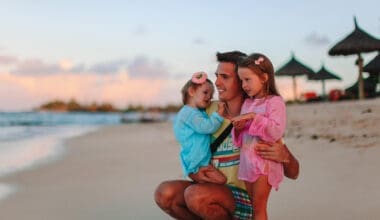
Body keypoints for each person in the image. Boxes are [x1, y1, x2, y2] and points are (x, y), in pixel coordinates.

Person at [154, 51, 299, 220]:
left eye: (225, 77)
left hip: (243, 198)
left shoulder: (258, 112)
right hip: (211, 187)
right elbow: (187, 146)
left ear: (242, 80)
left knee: (196, 195)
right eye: (217, 76)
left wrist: (285, 156)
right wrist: (193, 172)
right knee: (165, 193)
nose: (217, 83)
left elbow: (294, 172)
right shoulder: (207, 111)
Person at [231, 53, 286, 220]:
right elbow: (242, 138)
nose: (244, 85)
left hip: (264, 162)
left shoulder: (275, 102)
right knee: (252, 208)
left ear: (263, 77)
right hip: (247, 162)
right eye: (241, 80)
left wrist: (254, 117)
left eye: (248, 79)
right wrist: (239, 129)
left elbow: (276, 131)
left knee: (259, 208)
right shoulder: (247, 103)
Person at [173, 72, 227, 184]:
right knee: (221, 181)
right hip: (197, 162)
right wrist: (219, 114)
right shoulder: (189, 113)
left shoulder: (195, 112)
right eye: (205, 92)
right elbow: (206, 127)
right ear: (192, 91)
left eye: (211, 95)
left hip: (199, 160)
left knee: (219, 181)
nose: (209, 97)